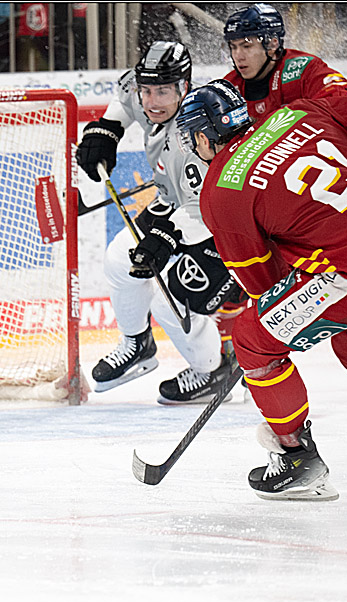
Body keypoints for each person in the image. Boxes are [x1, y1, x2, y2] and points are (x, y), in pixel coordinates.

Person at [176, 80, 347, 500]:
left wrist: (280, 319)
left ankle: (295, 459)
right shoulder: (297, 112)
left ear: (203, 136)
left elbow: (260, 280)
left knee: (254, 341)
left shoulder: (222, 189)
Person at [75, 41, 237, 404]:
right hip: (172, 202)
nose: (152, 101)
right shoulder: (141, 89)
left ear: (184, 87)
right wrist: (108, 129)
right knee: (120, 260)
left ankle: (213, 370)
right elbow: (125, 100)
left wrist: (167, 237)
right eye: (148, 90)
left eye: (163, 91)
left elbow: (208, 205)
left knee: (169, 300)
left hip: (218, 224)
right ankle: (138, 344)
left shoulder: (197, 131)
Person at [214, 2, 347, 353]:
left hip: (319, 196)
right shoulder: (229, 89)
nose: (239, 55)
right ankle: (234, 350)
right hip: (272, 204)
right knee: (237, 271)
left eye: (247, 45)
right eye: (234, 47)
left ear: (272, 44)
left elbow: (346, 103)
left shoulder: (302, 70)